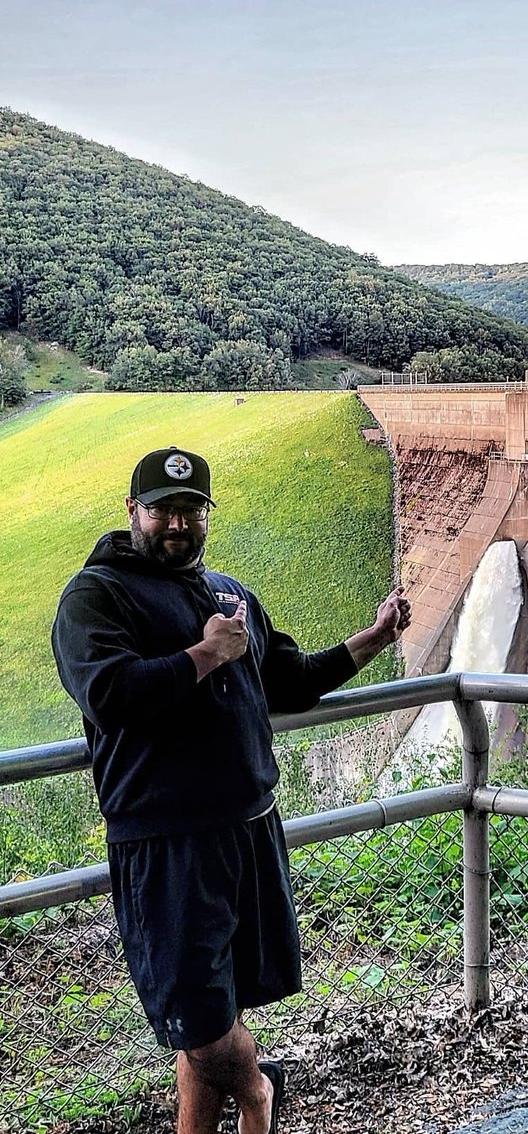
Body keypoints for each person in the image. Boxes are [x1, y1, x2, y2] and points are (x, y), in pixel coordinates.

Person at [51, 445, 411, 1134]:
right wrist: (206, 654)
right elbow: (108, 693)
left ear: (207, 516)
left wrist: (371, 638)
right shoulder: (97, 594)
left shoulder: (230, 593)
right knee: (201, 1022)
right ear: (132, 511)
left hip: (249, 827)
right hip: (167, 838)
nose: (177, 524)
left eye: (191, 511)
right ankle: (260, 1094)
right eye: (162, 510)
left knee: (221, 1005)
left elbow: (291, 680)